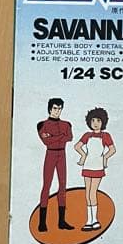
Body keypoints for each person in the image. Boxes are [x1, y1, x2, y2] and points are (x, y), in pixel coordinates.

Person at [74, 107, 115, 231]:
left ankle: (95, 220)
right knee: (87, 194)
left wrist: (105, 158)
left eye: (98, 120)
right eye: (93, 121)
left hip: (97, 166)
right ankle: (89, 221)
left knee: (92, 193)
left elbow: (112, 149)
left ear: (103, 122)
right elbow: (77, 146)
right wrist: (83, 155)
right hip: (87, 165)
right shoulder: (87, 135)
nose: (95, 123)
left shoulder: (105, 135)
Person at [37, 97, 73, 232]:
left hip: (62, 155)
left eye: (60, 108)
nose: (57, 111)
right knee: (46, 186)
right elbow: (47, 142)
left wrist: (53, 137)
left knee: (63, 186)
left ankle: (61, 221)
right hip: (50, 155)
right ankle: (42, 223)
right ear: (50, 109)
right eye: (55, 108)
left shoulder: (66, 124)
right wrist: (61, 136)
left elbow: (70, 137)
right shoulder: (42, 125)